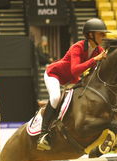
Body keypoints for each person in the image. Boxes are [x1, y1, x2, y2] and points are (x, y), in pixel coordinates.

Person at [36, 18, 110, 151]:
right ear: (90, 35)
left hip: (72, 79)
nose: (103, 37)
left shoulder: (98, 50)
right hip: (54, 74)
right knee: (55, 98)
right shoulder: (78, 47)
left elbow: (93, 71)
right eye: (101, 34)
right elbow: (75, 69)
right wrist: (95, 59)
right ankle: (44, 133)